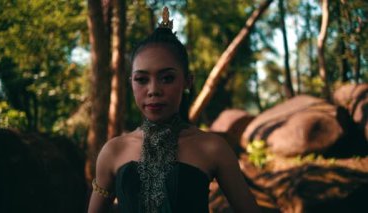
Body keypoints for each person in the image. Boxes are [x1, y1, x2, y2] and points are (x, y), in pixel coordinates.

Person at [88, 7, 261, 213]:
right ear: (131, 83)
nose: (153, 90)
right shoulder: (113, 151)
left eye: (167, 78)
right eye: (142, 79)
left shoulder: (213, 148)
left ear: (187, 81)